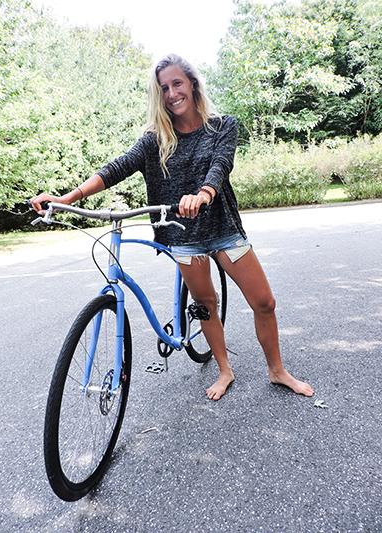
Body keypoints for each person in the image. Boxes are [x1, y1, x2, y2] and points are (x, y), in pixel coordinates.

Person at [31, 53, 314, 401]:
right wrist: (68, 197)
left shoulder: (222, 125)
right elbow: (117, 167)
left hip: (223, 227)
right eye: (163, 88)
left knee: (264, 302)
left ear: (192, 84)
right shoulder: (156, 138)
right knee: (205, 303)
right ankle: (225, 369)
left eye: (176, 83)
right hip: (183, 235)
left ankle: (277, 370)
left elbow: (221, 164)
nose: (171, 93)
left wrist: (204, 193)